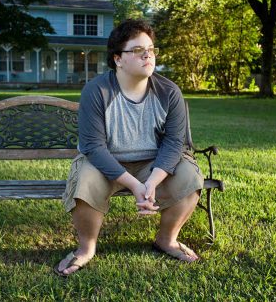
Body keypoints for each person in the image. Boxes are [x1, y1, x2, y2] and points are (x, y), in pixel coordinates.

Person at [54, 19, 204, 276]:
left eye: (151, 49)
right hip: (104, 164)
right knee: (84, 181)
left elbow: (173, 143)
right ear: (118, 59)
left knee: (190, 176)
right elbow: (93, 147)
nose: (148, 54)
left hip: (152, 165)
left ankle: (166, 239)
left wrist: (152, 181)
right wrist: (136, 186)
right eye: (137, 50)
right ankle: (86, 248)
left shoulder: (169, 92)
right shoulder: (96, 91)